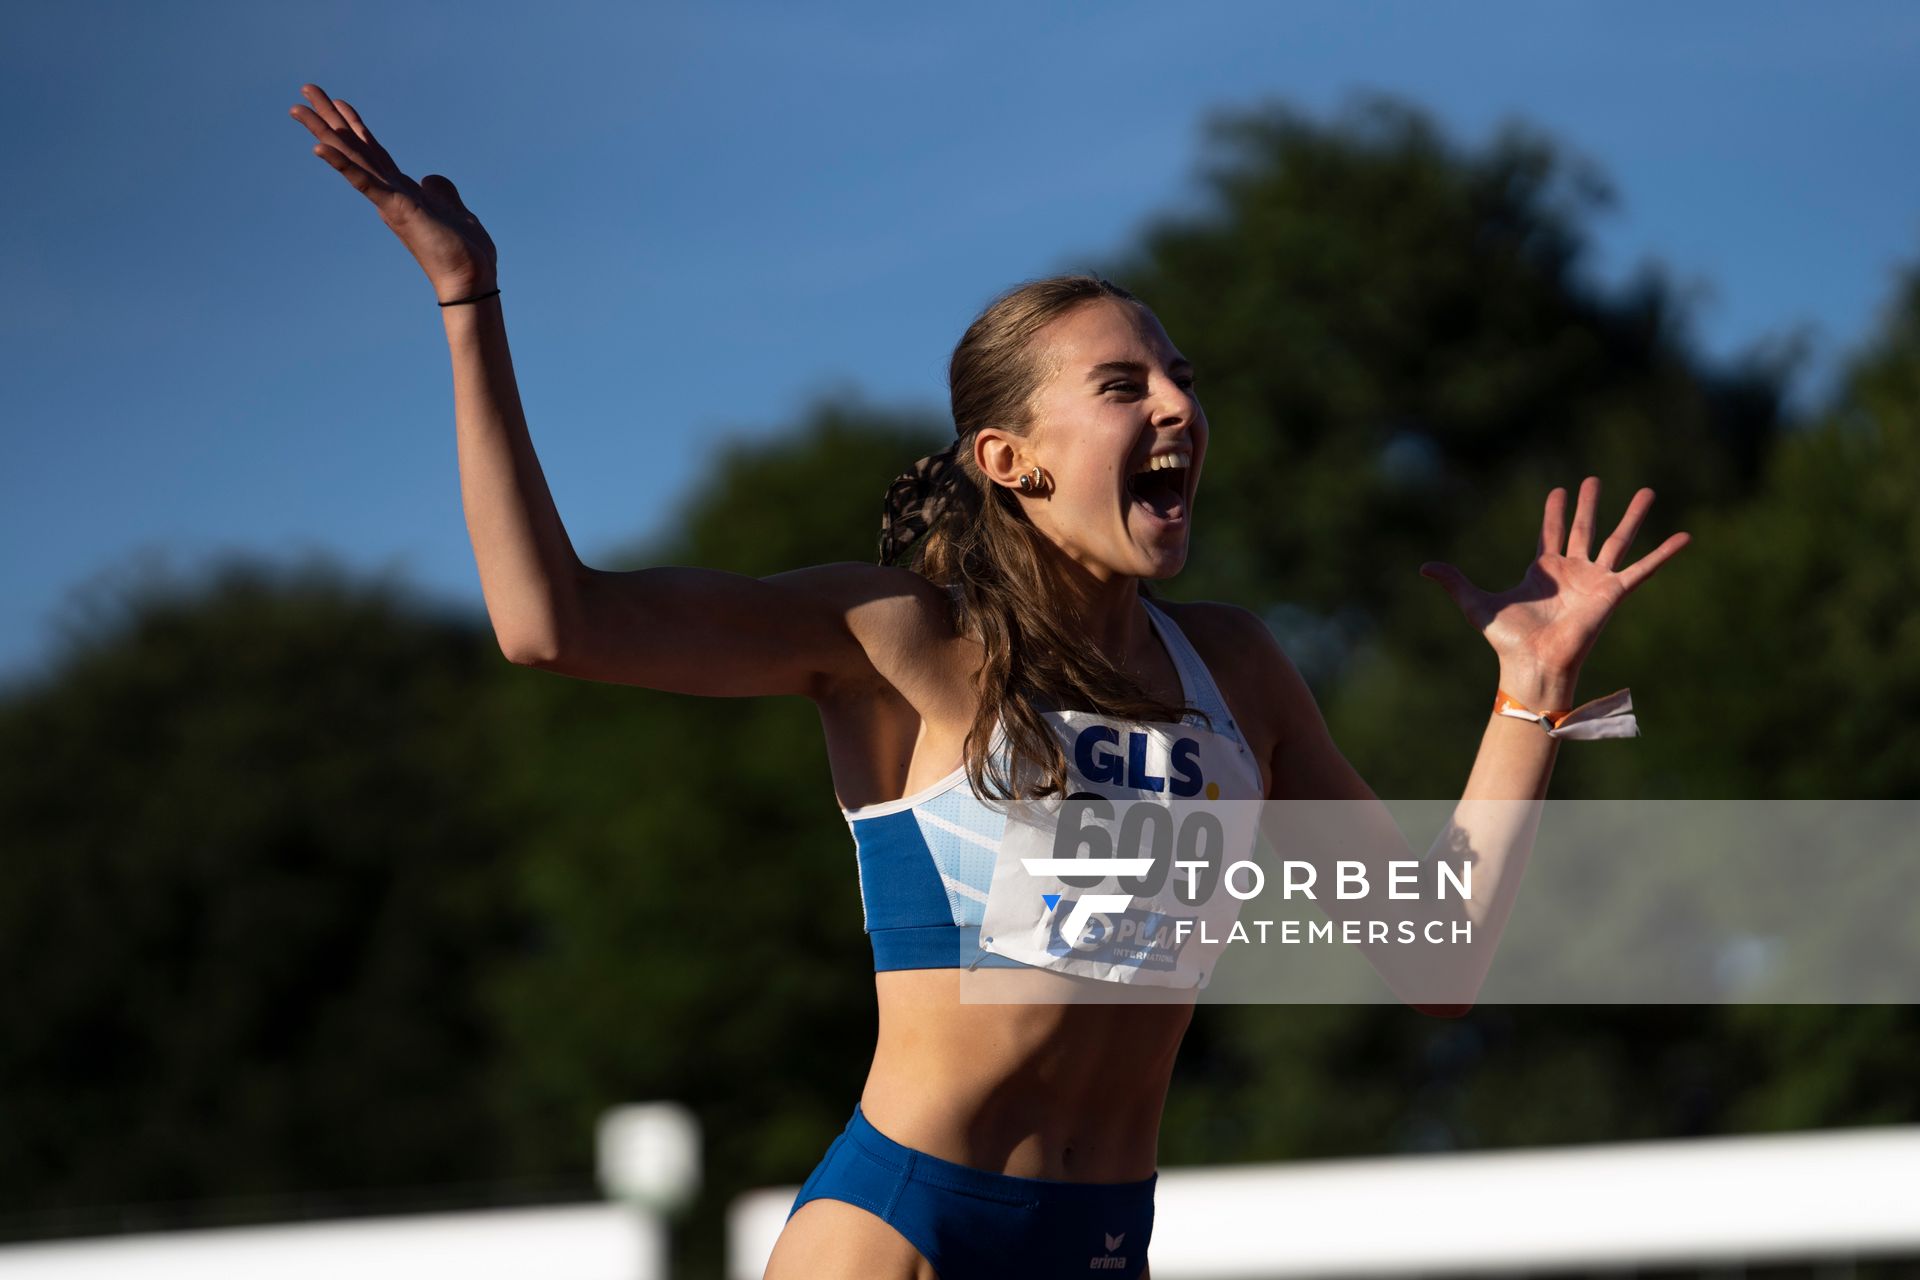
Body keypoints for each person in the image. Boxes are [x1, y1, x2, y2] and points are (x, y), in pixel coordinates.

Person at [290, 83, 1691, 1280]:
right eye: (1123, 385)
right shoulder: (902, 641)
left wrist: (1531, 687)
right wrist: (467, 300)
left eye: (1183, 379)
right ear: (1007, 460)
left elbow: (1435, 962)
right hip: (902, 1230)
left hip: (1102, 1243)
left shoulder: (1240, 670)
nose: (1178, 408)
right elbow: (556, 623)